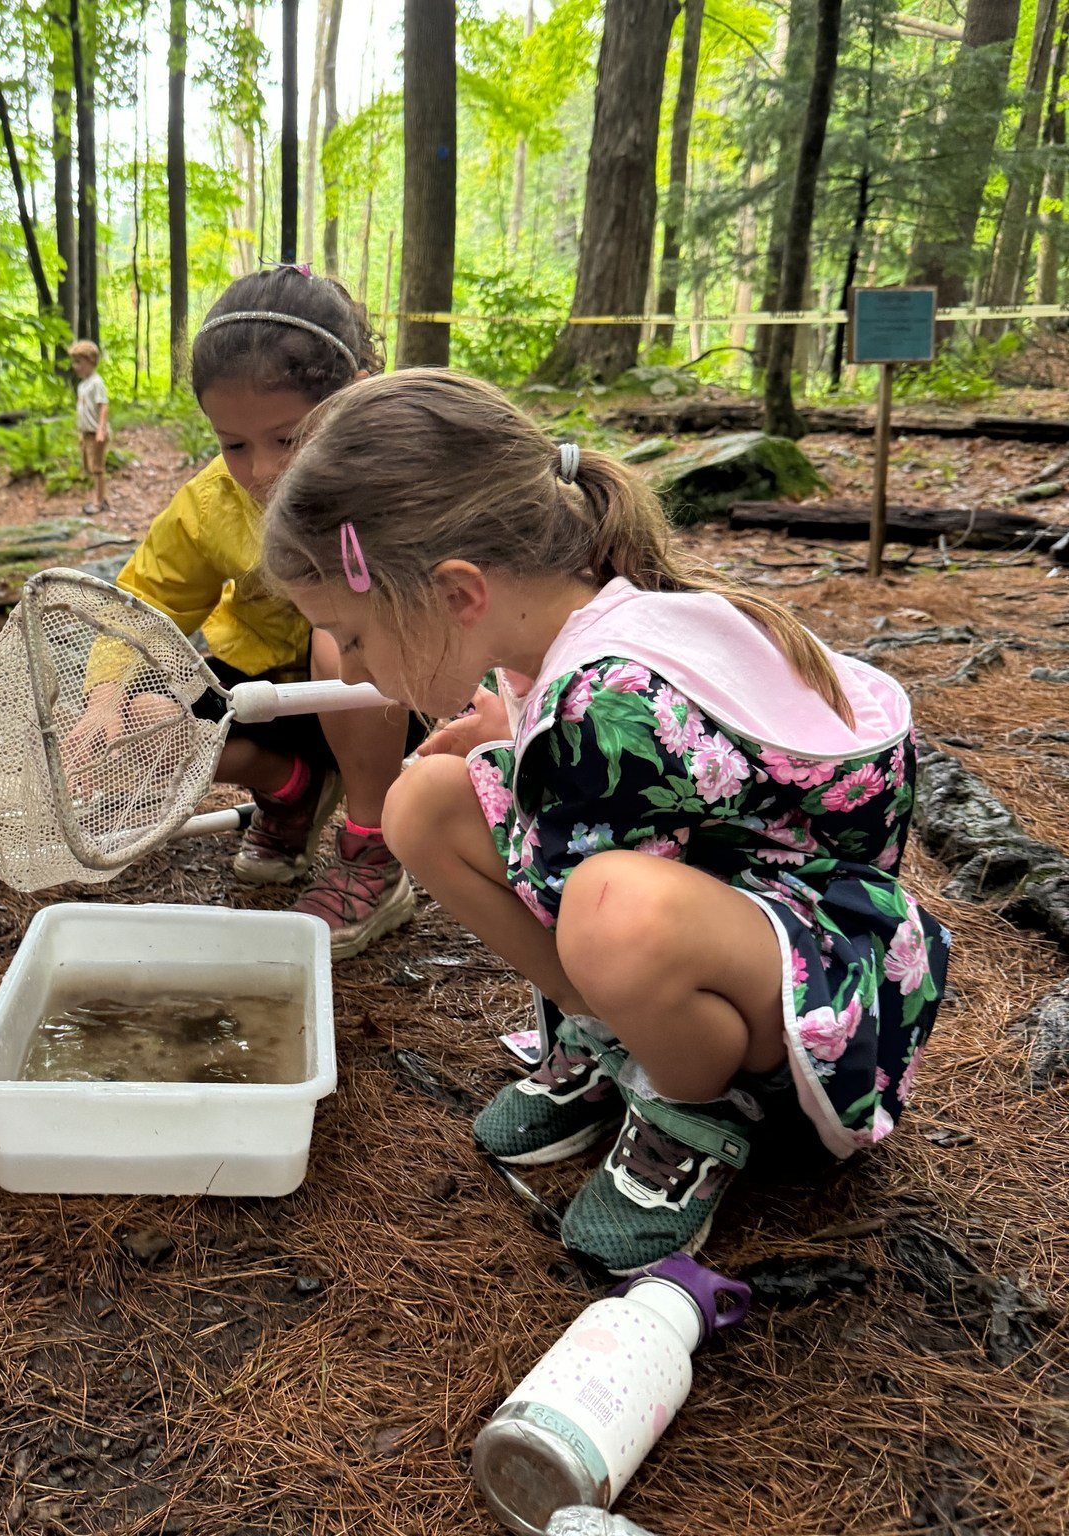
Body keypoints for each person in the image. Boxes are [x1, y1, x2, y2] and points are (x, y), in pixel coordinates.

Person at [263, 369, 950, 1275]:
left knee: (606, 911)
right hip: (725, 890)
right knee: (421, 804)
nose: (351, 667)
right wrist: (511, 730)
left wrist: (521, 757)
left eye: (352, 635)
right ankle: (618, 1037)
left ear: (458, 592)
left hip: (818, 962)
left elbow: (576, 877)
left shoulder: (608, 705)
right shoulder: (559, 616)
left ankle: (699, 1104)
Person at [90, 267, 422, 958]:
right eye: (233, 444)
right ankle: (292, 792)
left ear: (355, 395)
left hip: (385, 702)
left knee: (341, 639)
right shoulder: (213, 504)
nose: (263, 470)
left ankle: (372, 852)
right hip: (259, 695)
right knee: (149, 717)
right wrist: (102, 694)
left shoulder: (401, 478)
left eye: (287, 438)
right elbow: (144, 598)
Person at [69, 340, 110, 514]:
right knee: (89, 468)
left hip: (96, 433)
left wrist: (101, 429)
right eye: (74, 362)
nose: (75, 366)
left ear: (91, 361)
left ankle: (99, 502)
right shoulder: (82, 385)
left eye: (79, 362)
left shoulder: (96, 382)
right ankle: (98, 498)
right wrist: (81, 433)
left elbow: (104, 405)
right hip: (86, 433)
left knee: (97, 468)